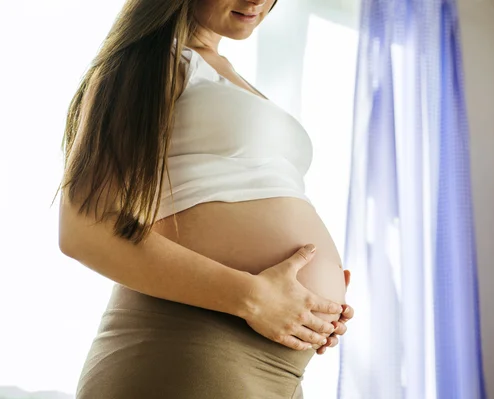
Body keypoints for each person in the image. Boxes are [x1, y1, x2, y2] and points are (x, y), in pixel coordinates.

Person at [55, 0, 355, 397]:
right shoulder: (149, 61)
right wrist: (254, 297)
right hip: (189, 346)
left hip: (274, 369)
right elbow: (83, 229)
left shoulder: (225, 74)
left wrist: (314, 306)